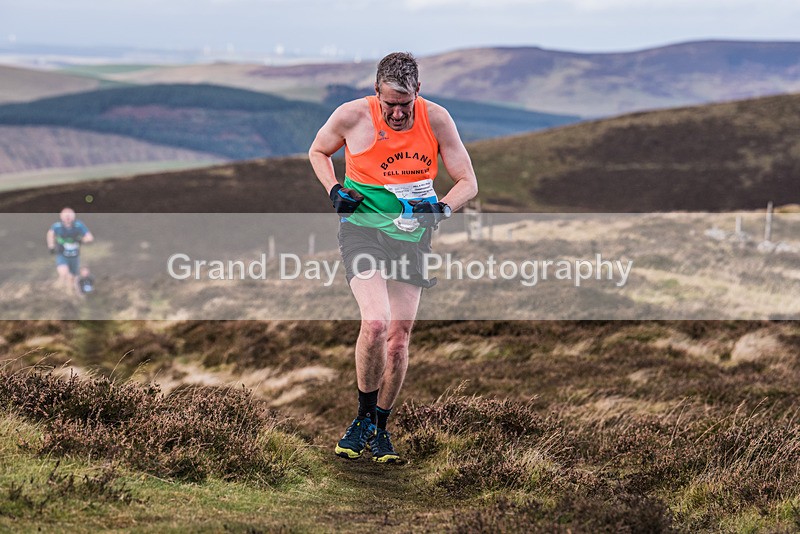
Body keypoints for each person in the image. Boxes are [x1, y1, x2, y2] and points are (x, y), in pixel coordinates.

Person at [308, 52, 478, 463]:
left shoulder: (437, 119)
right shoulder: (351, 116)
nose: (398, 114)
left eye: (406, 104)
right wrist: (334, 190)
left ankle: (380, 429)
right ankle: (362, 419)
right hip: (363, 231)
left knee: (399, 340)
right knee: (376, 323)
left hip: (411, 237)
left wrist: (441, 208)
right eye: (390, 105)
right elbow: (318, 151)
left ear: (418, 91)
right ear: (376, 92)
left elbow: (467, 181)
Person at [46, 207, 94, 295]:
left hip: (74, 256)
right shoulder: (57, 226)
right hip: (62, 255)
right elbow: (50, 234)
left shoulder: (79, 225)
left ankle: (70, 293)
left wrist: (82, 240)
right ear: (61, 217)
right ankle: (56, 289)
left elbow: (90, 237)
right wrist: (51, 246)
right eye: (65, 216)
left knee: (73, 278)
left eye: (69, 216)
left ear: (73, 216)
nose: (67, 218)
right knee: (64, 273)